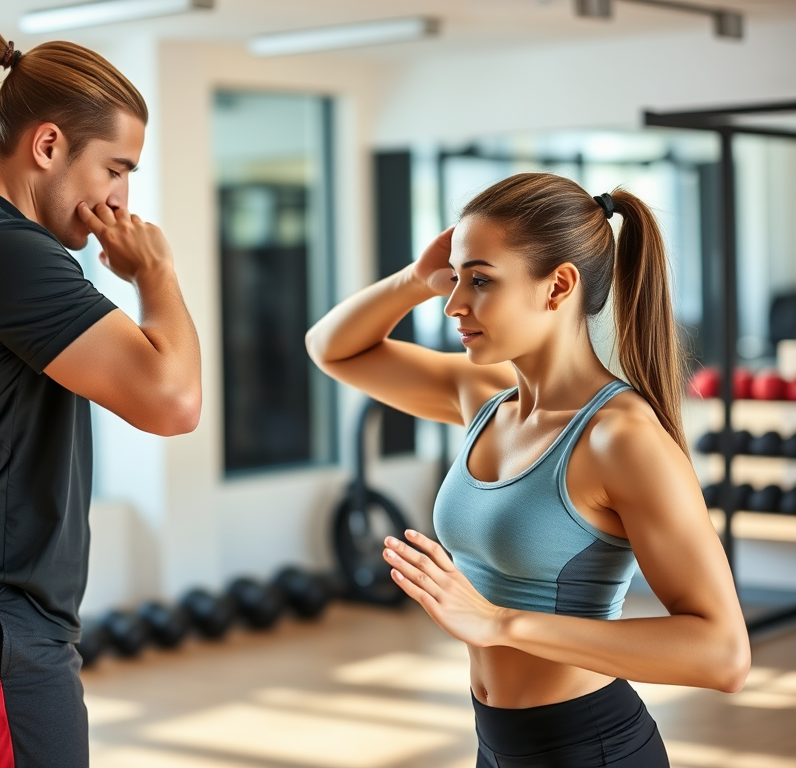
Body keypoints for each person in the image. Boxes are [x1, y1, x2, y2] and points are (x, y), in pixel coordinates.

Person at [306, 173, 749, 767]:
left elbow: (721, 654)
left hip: (588, 749)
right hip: (498, 743)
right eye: (457, 278)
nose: (455, 303)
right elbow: (330, 349)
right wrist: (414, 280)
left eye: (481, 280)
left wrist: (500, 623)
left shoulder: (621, 438)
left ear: (558, 286)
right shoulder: (485, 398)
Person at [0, 22, 201, 768]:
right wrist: (157, 274)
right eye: (115, 169)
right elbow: (173, 403)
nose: (121, 199)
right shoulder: (2, 250)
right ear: (48, 146)